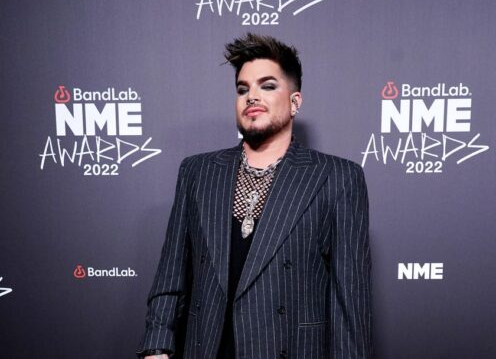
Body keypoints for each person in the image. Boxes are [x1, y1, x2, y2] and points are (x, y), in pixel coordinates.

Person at [137, 33, 372, 359]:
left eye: (268, 85)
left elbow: (350, 301)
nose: (252, 96)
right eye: (243, 89)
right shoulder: (198, 171)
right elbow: (171, 274)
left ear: (295, 101)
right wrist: (157, 347)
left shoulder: (337, 177)